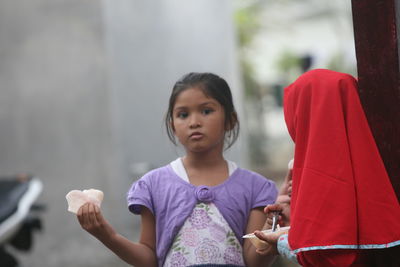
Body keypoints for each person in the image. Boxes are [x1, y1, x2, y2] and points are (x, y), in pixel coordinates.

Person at [75, 72, 278, 267]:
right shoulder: (154, 185)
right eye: (183, 114)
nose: (194, 122)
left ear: (230, 120)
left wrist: (270, 234)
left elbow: (254, 261)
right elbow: (149, 259)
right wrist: (106, 234)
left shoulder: (255, 188)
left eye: (206, 111)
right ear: (172, 125)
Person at [254, 69, 400, 266]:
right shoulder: (378, 155)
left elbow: (331, 255)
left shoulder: (321, 170)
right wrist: (293, 217)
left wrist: (281, 242)